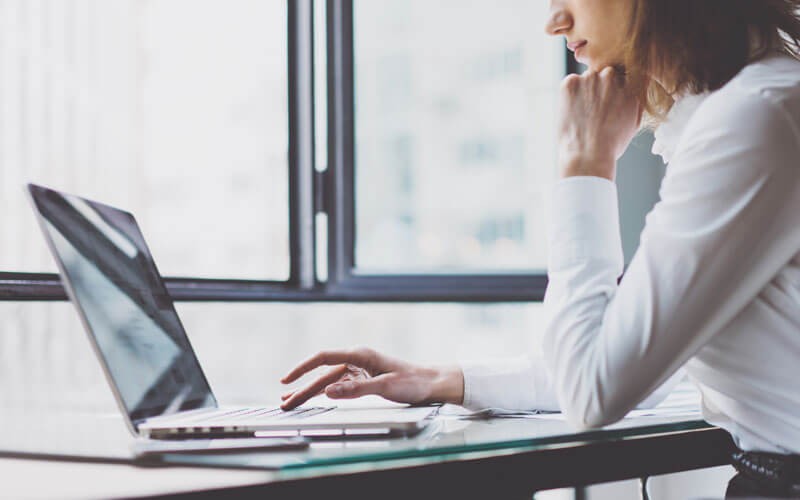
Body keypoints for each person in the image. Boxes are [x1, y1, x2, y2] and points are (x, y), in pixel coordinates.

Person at [281, 1, 800, 496]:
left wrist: (584, 163)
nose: (555, 21)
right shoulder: (753, 105)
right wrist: (434, 379)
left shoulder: (754, 117)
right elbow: (634, 352)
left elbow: (594, 389)